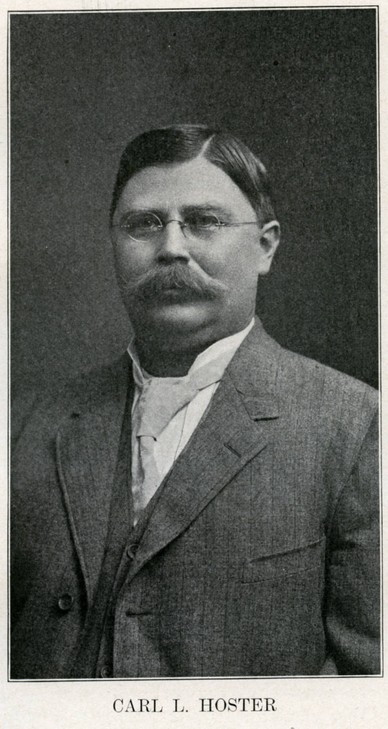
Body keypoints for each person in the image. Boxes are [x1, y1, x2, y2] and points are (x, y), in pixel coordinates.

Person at [11, 124, 380, 679]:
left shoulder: (355, 427)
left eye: (204, 222)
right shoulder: (24, 426)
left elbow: (368, 684)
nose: (172, 248)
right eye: (144, 225)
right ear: (113, 243)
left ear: (266, 246)